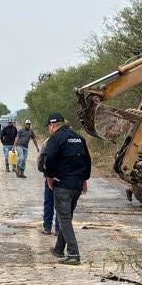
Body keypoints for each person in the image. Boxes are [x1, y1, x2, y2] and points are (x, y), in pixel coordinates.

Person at [41, 112, 91, 265]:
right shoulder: (79, 138)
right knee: (67, 217)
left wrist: (49, 176)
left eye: (49, 126)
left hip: (62, 184)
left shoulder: (56, 138)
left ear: (52, 125)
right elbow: (87, 160)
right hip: (77, 184)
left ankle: (74, 253)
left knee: (64, 219)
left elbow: (49, 159)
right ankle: (58, 249)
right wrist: (84, 179)